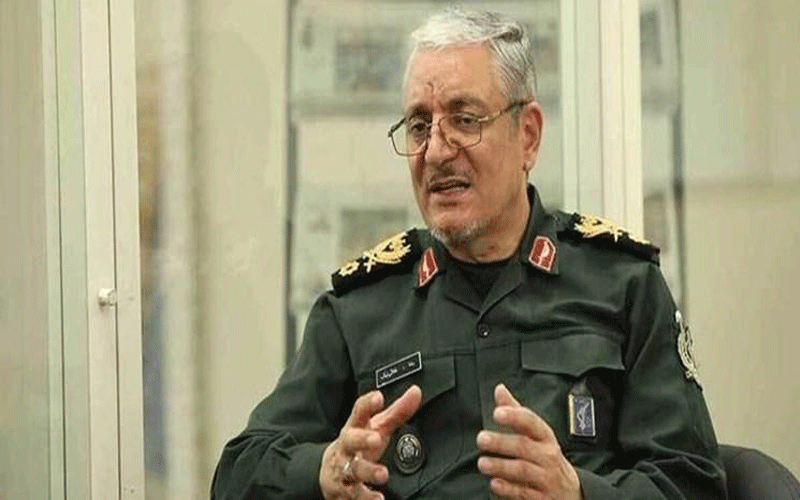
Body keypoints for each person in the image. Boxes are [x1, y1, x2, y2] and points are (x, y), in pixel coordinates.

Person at [211, 8, 726, 500]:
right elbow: (238, 474)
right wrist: (324, 470)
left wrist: (578, 493)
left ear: (528, 136)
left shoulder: (622, 287)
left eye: (464, 119)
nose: (437, 151)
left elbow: (694, 485)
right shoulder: (360, 311)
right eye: (419, 126)